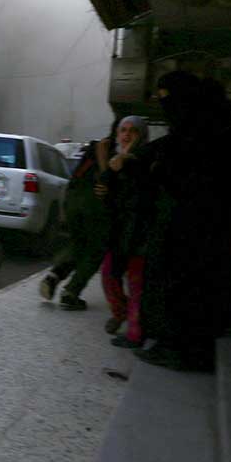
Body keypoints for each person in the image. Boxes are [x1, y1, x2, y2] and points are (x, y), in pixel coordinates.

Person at [136, 71, 231, 371]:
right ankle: (186, 345)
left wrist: (160, 171)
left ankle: (180, 348)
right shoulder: (219, 125)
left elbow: (188, 172)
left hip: (194, 222)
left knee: (184, 284)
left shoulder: (201, 128)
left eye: (166, 99)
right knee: (202, 282)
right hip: (210, 222)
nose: (165, 107)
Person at [38, 137, 111, 310]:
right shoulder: (114, 147)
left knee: (79, 244)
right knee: (95, 250)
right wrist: (106, 176)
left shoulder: (92, 149)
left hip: (73, 198)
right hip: (93, 202)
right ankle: (71, 292)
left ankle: (54, 276)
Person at [98, 115, 150, 348]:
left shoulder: (144, 160)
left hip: (139, 234)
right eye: (123, 130)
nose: (127, 135)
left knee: (136, 283)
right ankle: (122, 313)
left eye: (133, 131)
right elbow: (106, 193)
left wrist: (127, 161)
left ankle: (135, 333)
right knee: (109, 275)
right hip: (119, 233)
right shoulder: (116, 161)